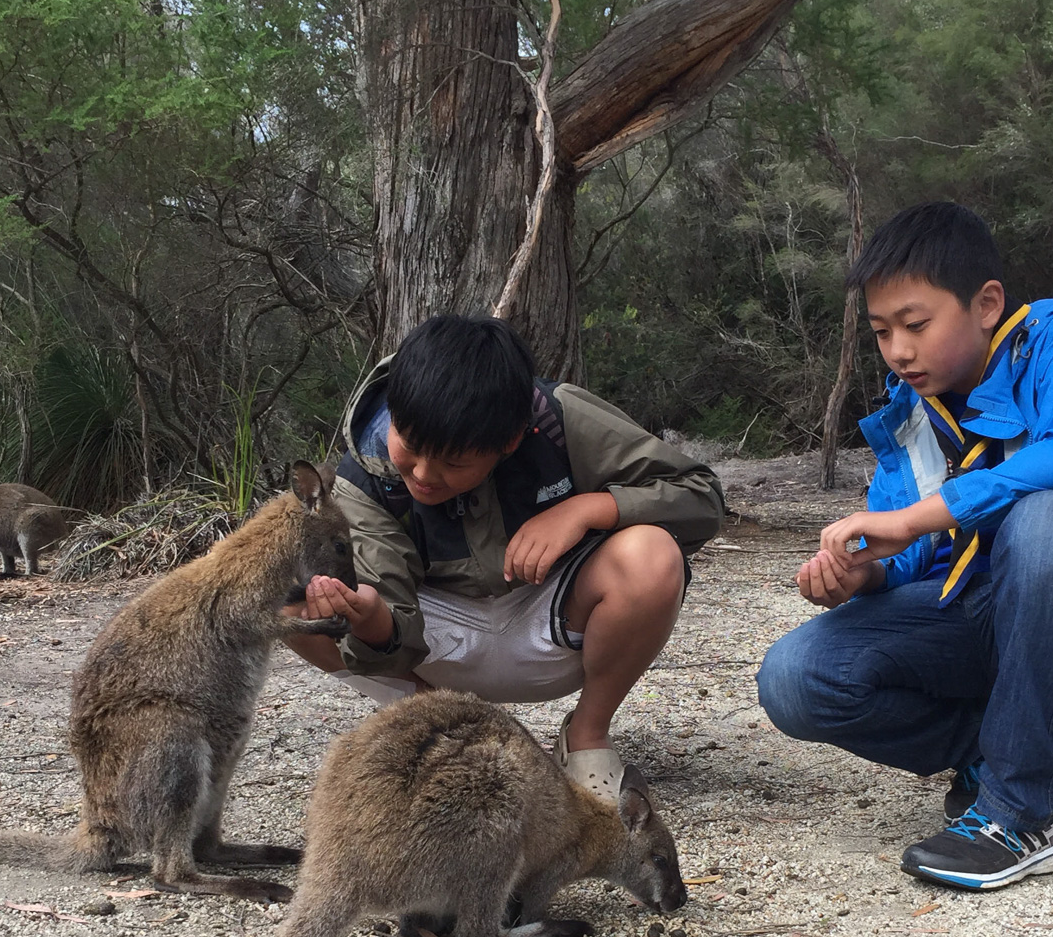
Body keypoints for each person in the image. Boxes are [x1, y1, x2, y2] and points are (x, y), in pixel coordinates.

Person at [756, 201, 1053, 890]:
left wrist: (924, 515)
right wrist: (863, 573)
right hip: (974, 619)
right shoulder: (913, 412)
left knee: (1045, 518)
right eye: (881, 332)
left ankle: (1023, 811)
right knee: (795, 675)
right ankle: (993, 748)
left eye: (915, 324)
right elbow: (905, 548)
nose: (898, 351)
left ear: (986, 303)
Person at [283, 314, 725, 798]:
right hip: (435, 644)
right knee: (287, 605)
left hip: (553, 622)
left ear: (510, 441)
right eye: (409, 448)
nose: (424, 475)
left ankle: (586, 738)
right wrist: (370, 620)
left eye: (454, 462)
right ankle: (452, 734)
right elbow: (395, 622)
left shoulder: (559, 418)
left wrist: (587, 509)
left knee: (652, 555)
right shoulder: (361, 479)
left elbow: (700, 495)